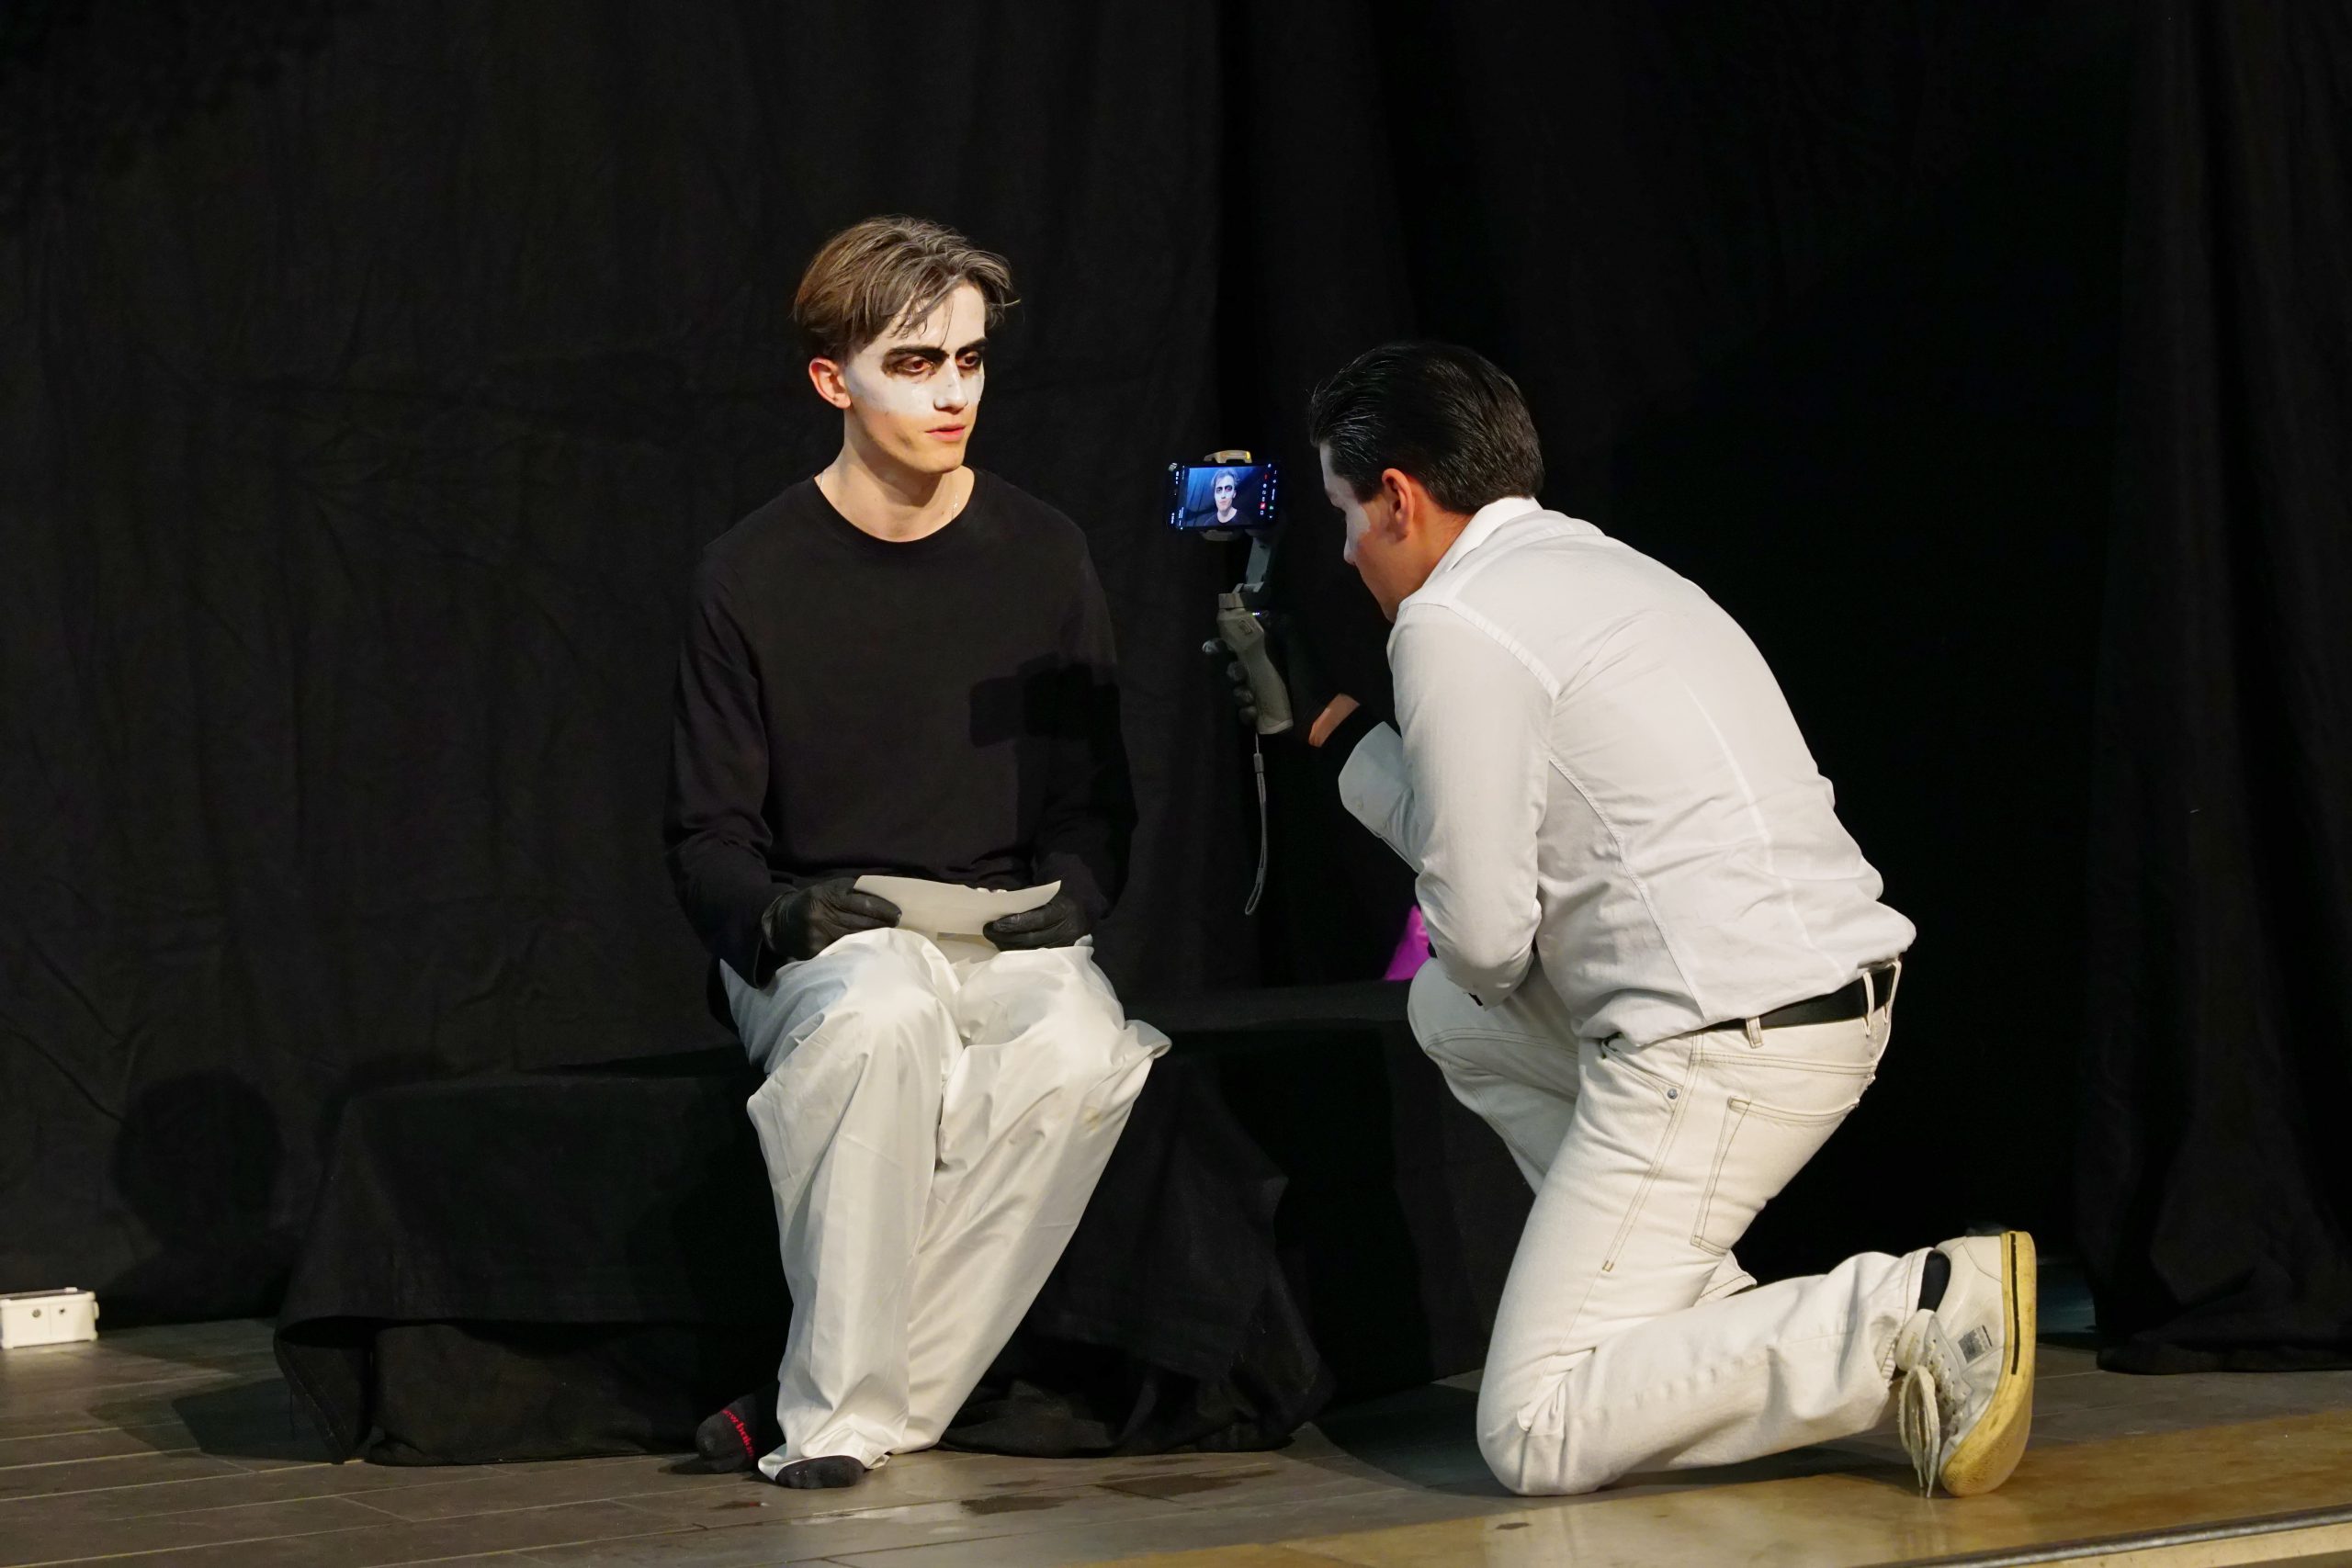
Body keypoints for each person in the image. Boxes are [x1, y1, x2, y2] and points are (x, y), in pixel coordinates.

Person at [1236, 341, 2034, 1499]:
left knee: (1534, 1428)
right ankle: (1698, 1330)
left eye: (1344, 514)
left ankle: (1908, 1314)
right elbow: (1484, 900)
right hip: (1821, 1004)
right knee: (1449, 1012)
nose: (1347, 549)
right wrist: (1337, 735)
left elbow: (1486, 932)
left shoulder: (1452, 621)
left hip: (1720, 1044)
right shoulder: (1602, 569)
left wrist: (1469, 908)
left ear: (1397, 497)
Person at [664, 216, 1166, 1490]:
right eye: (915, 363)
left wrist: (1080, 893)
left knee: (1084, 1048)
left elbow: (1095, 799)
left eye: (970, 360)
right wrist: (775, 920)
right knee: (881, 1015)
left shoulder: (1042, 550)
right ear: (832, 379)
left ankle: (845, 1396)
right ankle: (833, 1421)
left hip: (997, 923)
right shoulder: (750, 572)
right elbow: (707, 833)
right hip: (828, 928)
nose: (953, 393)